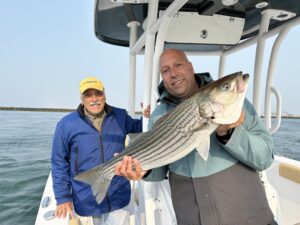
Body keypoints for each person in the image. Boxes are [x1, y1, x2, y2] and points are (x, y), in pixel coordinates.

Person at [115, 49, 277, 225]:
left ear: (190, 67)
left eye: (178, 65)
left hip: (249, 219)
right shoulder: (158, 115)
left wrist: (231, 132)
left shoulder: (237, 103)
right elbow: (159, 171)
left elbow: (265, 158)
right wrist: (142, 170)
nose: (173, 73)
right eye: (165, 70)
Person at [51, 77, 150, 225]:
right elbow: (59, 162)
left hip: (118, 194)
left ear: (105, 94)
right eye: (88, 95)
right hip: (86, 197)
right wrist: (63, 197)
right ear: (81, 98)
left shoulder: (120, 115)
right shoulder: (66, 124)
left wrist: (149, 115)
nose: (94, 99)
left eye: (98, 94)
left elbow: (142, 128)